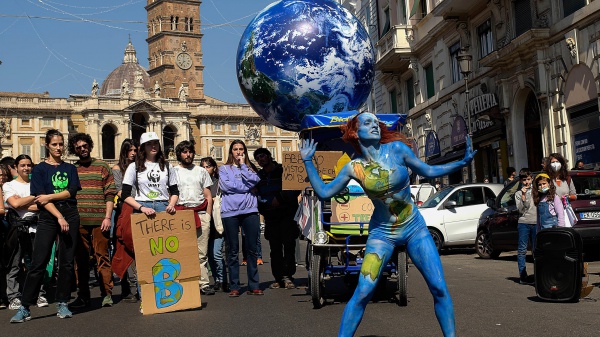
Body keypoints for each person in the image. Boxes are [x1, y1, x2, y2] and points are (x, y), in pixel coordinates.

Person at [300, 112, 475, 337]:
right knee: (363, 292)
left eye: (376, 123)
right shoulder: (354, 167)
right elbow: (324, 192)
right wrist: (307, 161)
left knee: (439, 288)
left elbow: (428, 171)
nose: (374, 126)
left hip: (414, 229)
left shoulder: (398, 150)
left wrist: (461, 162)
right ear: (355, 132)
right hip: (382, 234)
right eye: (367, 123)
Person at [10, 129, 82, 323]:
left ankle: (63, 302)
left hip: (70, 214)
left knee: (66, 262)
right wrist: (58, 215)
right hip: (50, 216)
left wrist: (51, 196)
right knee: (38, 262)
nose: (58, 148)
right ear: (47, 146)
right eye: (54, 144)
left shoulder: (70, 168)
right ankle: (25, 306)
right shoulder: (40, 169)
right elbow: (40, 199)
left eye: (61, 144)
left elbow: (72, 192)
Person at [121, 132, 179, 313]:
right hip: (143, 208)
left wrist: (171, 204)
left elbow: (175, 191)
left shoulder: (168, 167)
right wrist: (141, 208)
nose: (153, 146)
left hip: (163, 207)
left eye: (155, 143)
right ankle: (146, 298)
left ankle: (167, 297)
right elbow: (124, 195)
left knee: (165, 254)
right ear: (143, 148)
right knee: (144, 257)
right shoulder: (134, 167)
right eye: (149, 144)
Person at [68, 133, 117, 308]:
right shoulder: (71, 169)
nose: (82, 149)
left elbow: (110, 193)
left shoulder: (102, 166)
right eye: (78, 147)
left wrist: (107, 217)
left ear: (90, 145)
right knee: (80, 260)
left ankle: (106, 294)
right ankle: (83, 296)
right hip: (78, 221)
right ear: (74, 149)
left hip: (100, 220)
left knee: (102, 257)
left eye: (85, 145)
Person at [3, 155, 48, 311]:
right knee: (14, 264)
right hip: (17, 229)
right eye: (22, 165)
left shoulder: (37, 183)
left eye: (29, 165)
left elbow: (41, 206)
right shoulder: (9, 185)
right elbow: (14, 203)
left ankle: (39, 293)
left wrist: (21, 204)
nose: (26, 168)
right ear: (16, 167)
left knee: (37, 264)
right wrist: (33, 198)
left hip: (36, 227)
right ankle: (13, 297)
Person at [219, 140, 263, 297]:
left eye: (241, 149)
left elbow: (256, 180)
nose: (238, 152)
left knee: (252, 249)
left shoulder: (250, 168)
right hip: (230, 212)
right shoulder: (223, 169)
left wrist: (244, 166)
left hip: (250, 210)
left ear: (244, 152)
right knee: (232, 250)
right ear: (231, 152)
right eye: (235, 149)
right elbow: (226, 187)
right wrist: (247, 186)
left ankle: (254, 284)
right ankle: (235, 285)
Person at [253, 148, 300, 290]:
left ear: (269, 156)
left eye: (263, 156)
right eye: (258, 158)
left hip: (286, 213)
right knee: (275, 248)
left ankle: (288, 276)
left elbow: (295, 186)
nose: (261, 159)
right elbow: (257, 193)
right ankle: (278, 277)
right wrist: (263, 204)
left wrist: (280, 198)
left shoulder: (283, 169)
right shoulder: (258, 176)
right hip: (270, 215)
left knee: (289, 245)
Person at [173, 141, 215, 296]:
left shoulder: (201, 171)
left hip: (200, 213)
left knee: (201, 253)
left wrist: (208, 216)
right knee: (181, 250)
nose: (188, 154)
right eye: (184, 152)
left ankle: (203, 283)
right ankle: (183, 281)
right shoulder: (173, 171)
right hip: (181, 213)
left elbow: (208, 196)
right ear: (179, 154)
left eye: (190, 151)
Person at [110, 138, 138, 301]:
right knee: (123, 245)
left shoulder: (139, 168)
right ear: (124, 151)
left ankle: (139, 287)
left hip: (139, 207)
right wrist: (135, 200)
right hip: (125, 208)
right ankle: (126, 287)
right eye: (130, 150)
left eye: (135, 150)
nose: (133, 153)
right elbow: (119, 191)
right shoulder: (117, 169)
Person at [201, 156, 228, 292]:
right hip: (205, 222)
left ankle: (223, 279)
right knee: (209, 254)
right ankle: (216, 279)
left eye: (208, 166)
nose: (205, 169)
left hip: (217, 221)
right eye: (203, 167)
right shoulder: (199, 184)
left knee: (217, 253)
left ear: (213, 168)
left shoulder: (218, 183)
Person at [514, 168, 537, 285]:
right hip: (523, 222)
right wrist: (523, 195)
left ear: (532, 179)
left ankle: (538, 275)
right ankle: (523, 276)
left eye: (528, 179)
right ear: (521, 181)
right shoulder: (518, 194)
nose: (527, 182)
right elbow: (522, 210)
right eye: (524, 180)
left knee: (536, 250)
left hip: (536, 221)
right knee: (522, 250)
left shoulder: (536, 191)